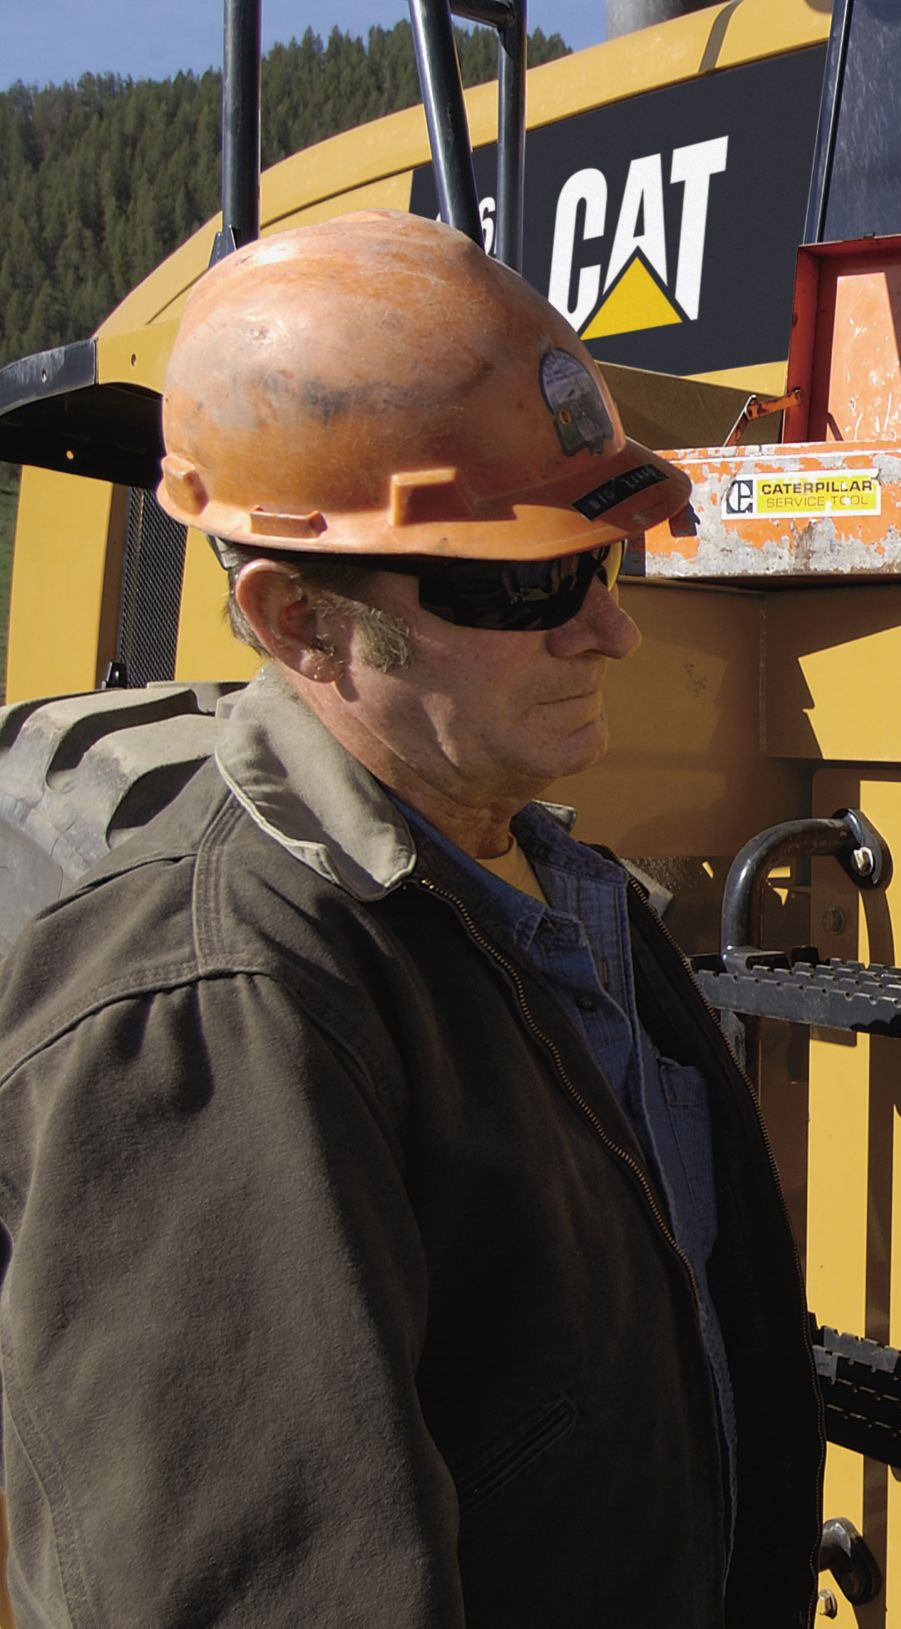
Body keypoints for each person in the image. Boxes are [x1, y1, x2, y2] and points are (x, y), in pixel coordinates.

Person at [0, 211, 823, 1623]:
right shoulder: (212, 1014)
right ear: (300, 622)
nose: (608, 627)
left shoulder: (562, 904)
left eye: (603, 555)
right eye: (525, 579)